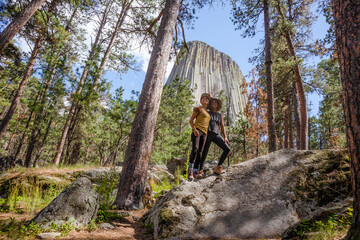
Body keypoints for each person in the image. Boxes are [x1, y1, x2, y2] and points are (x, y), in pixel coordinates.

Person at [195, 97, 230, 177]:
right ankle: (200, 170)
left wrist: (225, 137)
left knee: (227, 149)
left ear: (218, 105)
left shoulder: (220, 115)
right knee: (204, 152)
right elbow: (200, 113)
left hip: (216, 134)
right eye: (212, 103)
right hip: (207, 134)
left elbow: (222, 126)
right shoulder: (208, 113)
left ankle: (218, 166)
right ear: (210, 105)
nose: (214, 104)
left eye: (215, 103)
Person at [188, 93, 211, 180]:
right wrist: (194, 130)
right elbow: (191, 120)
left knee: (200, 152)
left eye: (207, 99)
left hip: (204, 134)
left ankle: (195, 171)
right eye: (203, 98)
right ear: (201, 101)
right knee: (195, 149)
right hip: (198, 131)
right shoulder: (198, 109)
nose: (205, 100)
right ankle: (190, 169)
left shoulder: (208, 114)